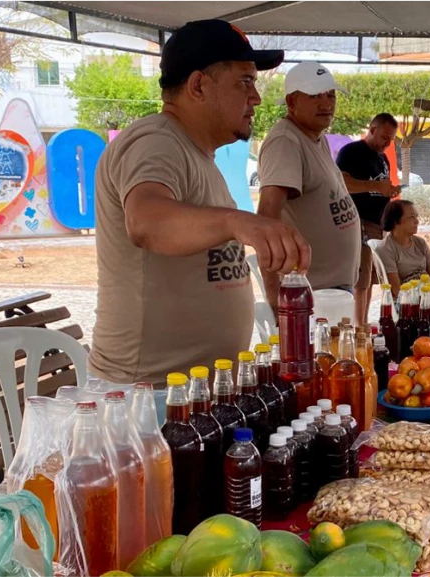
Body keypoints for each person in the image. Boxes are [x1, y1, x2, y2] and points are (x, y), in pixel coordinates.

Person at [89, 20, 310, 385]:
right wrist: (239, 222)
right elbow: (147, 222)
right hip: (150, 398)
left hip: (192, 394)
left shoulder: (197, 154)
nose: (255, 97)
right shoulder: (156, 140)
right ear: (197, 86)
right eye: (244, 81)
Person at [258, 62, 361, 310]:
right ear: (291, 103)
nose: (326, 103)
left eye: (330, 95)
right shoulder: (286, 141)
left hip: (330, 292)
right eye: (315, 96)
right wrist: (276, 303)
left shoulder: (317, 138)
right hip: (310, 296)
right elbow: (266, 220)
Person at [335, 113, 403, 325]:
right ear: (372, 130)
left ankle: (363, 322)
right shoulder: (352, 152)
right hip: (357, 222)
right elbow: (342, 183)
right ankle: (358, 328)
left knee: (372, 279)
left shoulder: (382, 158)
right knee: (361, 280)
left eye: (391, 139)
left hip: (378, 225)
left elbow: (381, 187)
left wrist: (389, 192)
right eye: (384, 137)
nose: (387, 143)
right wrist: (375, 186)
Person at [375, 200, 430, 299]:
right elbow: (396, 290)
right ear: (396, 221)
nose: (417, 221)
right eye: (411, 217)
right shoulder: (386, 249)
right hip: (409, 302)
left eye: (416, 216)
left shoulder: (420, 243)